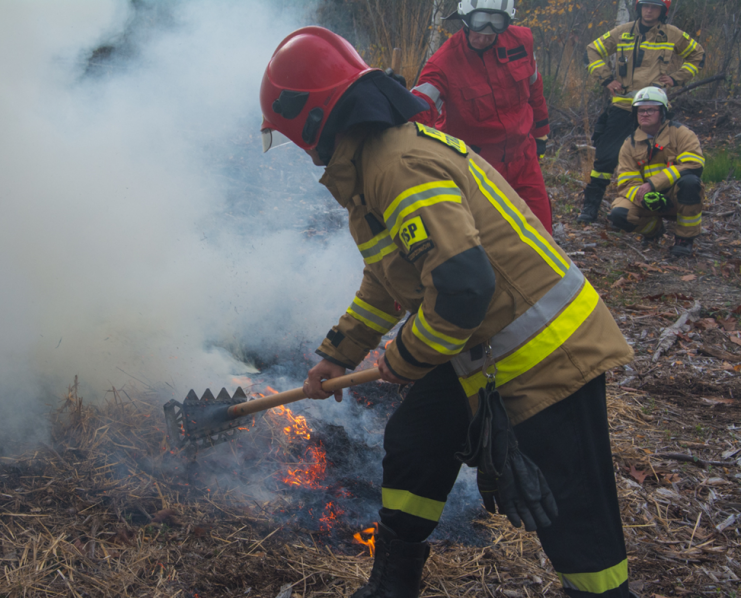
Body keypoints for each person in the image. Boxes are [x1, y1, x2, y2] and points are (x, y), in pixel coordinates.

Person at [260, 26, 636, 598]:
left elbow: (463, 287)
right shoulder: (372, 172)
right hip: (479, 351)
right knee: (415, 443)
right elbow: (389, 284)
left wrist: (406, 357)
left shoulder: (398, 166)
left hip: (551, 356)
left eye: (292, 137)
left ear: (312, 121)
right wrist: (338, 354)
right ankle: (392, 584)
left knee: (574, 517)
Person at [410, 0, 553, 233]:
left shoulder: (522, 41)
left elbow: (534, 88)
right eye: (479, 29)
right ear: (465, 20)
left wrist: (540, 134)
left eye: (494, 29)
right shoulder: (443, 64)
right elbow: (418, 111)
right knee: (489, 241)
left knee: (542, 233)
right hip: (478, 168)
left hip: (523, 158)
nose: (485, 37)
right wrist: (393, 105)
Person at [578, 0, 704, 223]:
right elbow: (591, 51)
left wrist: (676, 78)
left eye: (654, 7)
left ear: (662, 10)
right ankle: (590, 208)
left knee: (660, 158)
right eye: (645, 5)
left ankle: (666, 207)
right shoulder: (623, 32)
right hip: (622, 108)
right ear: (638, 8)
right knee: (605, 160)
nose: (649, 11)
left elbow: (698, 55)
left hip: (655, 110)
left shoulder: (672, 34)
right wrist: (607, 78)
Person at [608, 87, 704, 257]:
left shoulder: (681, 134)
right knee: (619, 214)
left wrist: (652, 185)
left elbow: (694, 164)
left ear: (662, 112)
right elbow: (626, 183)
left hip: (677, 196)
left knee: (690, 182)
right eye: (641, 110)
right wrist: (645, 198)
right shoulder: (629, 144)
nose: (645, 114)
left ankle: (684, 239)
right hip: (647, 199)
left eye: (651, 109)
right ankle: (653, 230)